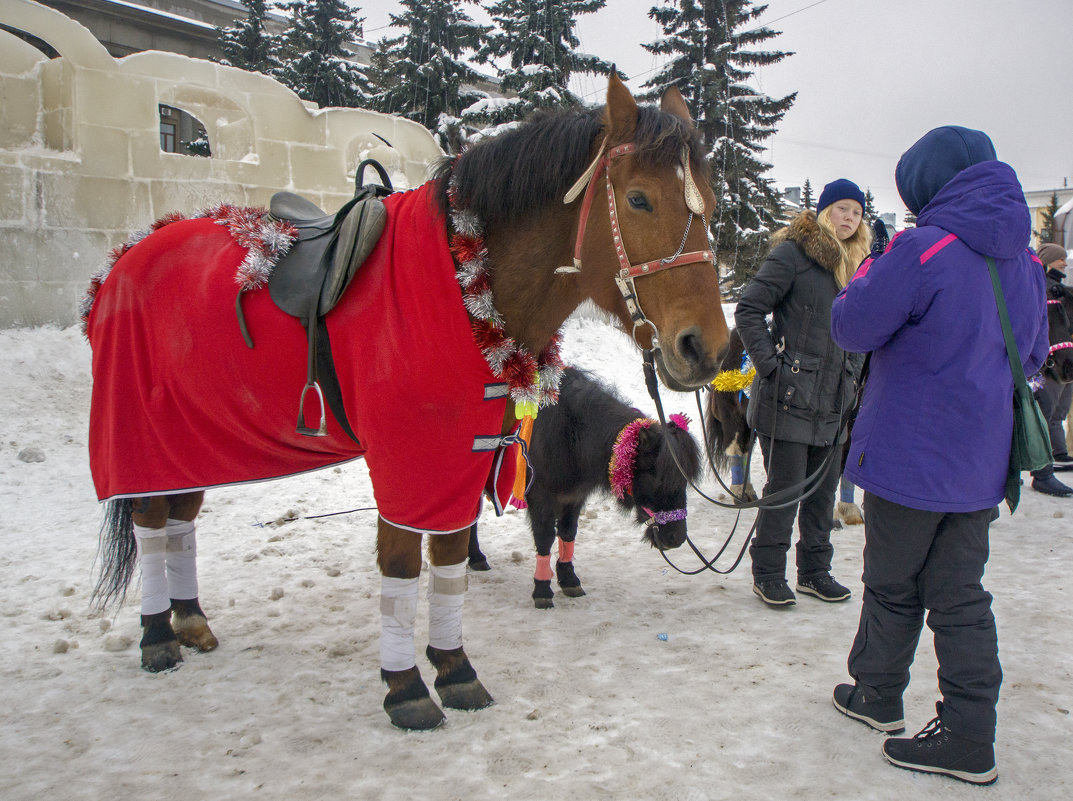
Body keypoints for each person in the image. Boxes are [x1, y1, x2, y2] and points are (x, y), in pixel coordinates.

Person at [829, 126, 1048, 785]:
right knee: (959, 595)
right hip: (981, 462)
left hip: (908, 455)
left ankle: (875, 694)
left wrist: (868, 268)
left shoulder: (923, 246)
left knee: (891, 582)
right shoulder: (1026, 260)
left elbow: (852, 324)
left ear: (930, 183)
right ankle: (967, 734)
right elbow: (1032, 354)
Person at [735, 179, 870, 607]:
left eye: (856, 212)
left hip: (834, 403)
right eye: (841, 209)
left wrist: (855, 379)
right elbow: (748, 309)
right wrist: (771, 367)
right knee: (785, 491)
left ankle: (815, 572)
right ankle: (769, 573)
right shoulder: (794, 254)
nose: (848, 218)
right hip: (788, 398)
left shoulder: (861, 267)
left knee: (822, 495)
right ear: (824, 211)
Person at [1029, 242, 1073, 496]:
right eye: (1060, 260)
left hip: (1061, 361)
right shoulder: (1039, 286)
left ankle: (1051, 462)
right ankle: (1041, 472)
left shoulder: (1058, 291)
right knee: (1041, 414)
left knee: (1054, 413)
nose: (1065, 264)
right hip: (1045, 365)